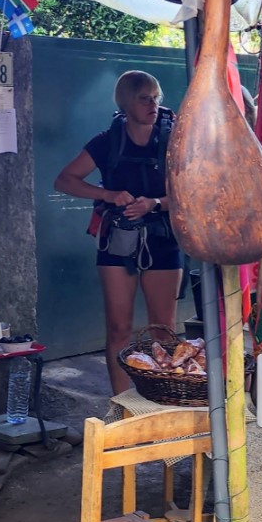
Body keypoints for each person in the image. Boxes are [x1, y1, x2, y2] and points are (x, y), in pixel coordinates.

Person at [55, 71, 181, 395]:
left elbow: (197, 192)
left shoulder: (175, 139)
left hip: (164, 237)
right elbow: (64, 180)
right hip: (117, 238)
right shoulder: (107, 140)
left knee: (164, 331)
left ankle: (162, 400)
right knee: (118, 328)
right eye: (144, 98)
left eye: (156, 98)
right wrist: (108, 195)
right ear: (126, 102)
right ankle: (123, 405)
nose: (153, 105)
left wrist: (155, 203)